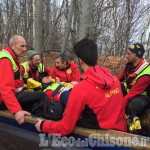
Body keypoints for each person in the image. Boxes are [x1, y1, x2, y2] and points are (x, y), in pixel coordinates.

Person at [35, 38, 127, 136]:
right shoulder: (114, 79)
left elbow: (65, 128)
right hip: (122, 132)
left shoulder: (81, 89)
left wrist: (42, 125)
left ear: (80, 61)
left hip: (99, 139)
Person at [0, 35, 63, 124]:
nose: (24, 49)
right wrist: (17, 110)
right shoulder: (6, 60)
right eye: (22, 46)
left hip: (13, 95)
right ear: (12, 45)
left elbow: (51, 72)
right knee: (41, 96)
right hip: (4, 100)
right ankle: (50, 116)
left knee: (37, 97)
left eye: (25, 46)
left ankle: (49, 112)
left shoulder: (11, 58)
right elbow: (5, 89)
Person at [117, 43, 150, 116]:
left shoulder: (146, 73)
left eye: (129, 54)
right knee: (115, 87)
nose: (126, 56)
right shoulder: (130, 65)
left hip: (141, 97)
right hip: (129, 92)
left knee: (134, 104)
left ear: (136, 56)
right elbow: (119, 78)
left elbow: (133, 93)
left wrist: (118, 108)